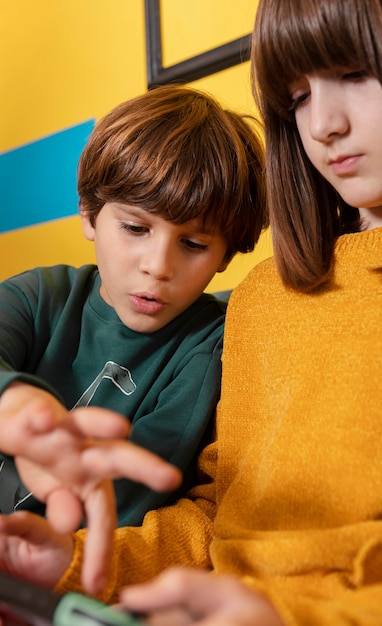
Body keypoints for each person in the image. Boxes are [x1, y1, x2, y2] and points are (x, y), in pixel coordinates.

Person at [3, 0, 382, 623]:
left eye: (357, 74)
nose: (324, 124)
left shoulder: (209, 334)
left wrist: (288, 615)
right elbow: (219, 522)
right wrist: (67, 555)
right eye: (298, 96)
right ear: (90, 215)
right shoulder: (264, 298)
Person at [0, 85, 267, 593]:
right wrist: (12, 401)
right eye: (135, 228)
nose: (158, 266)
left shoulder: (210, 343)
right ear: (88, 214)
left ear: (227, 256)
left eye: (193, 244)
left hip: (58, 574)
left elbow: (132, 499)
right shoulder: (41, 294)